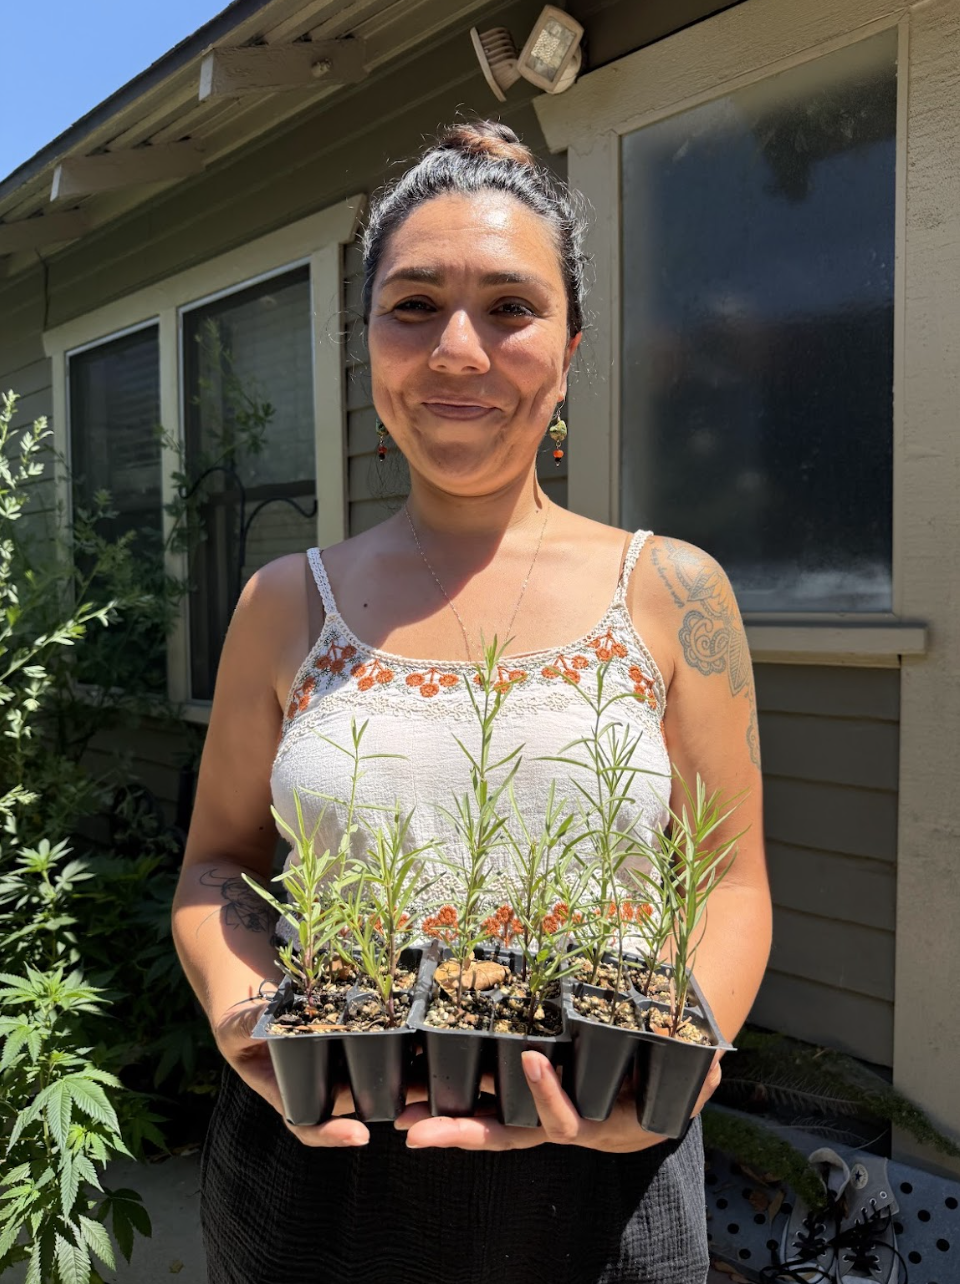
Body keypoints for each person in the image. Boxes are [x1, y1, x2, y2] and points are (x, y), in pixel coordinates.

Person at [173, 120, 771, 1284]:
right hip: (318, 1172)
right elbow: (215, 869)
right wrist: (248, 1017)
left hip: (608, 1173)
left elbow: (734, 880)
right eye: (413, 305)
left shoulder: (673, 591)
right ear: (365, 344)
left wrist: (681, 1061)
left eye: (509, 306)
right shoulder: (285, 602)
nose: (458, 351)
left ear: (572, 344)